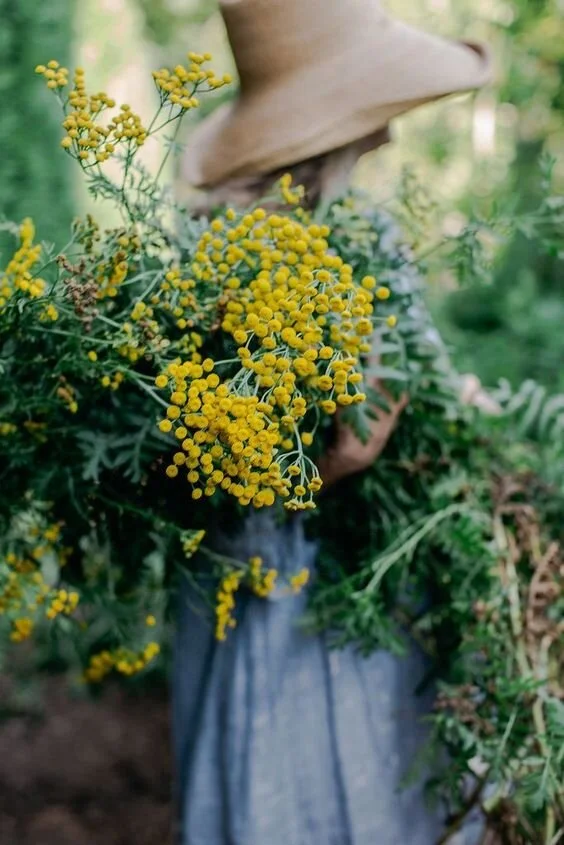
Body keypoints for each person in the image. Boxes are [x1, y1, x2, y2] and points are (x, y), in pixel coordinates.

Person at [174, 2, 492, 843]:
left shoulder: (198, 250)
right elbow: (197, 484)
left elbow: (419, 377)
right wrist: (324, 472)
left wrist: (459, 400)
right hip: (304, 597)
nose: (387, 136)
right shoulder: (215, 269)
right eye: (374, 112)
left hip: (269, 595)